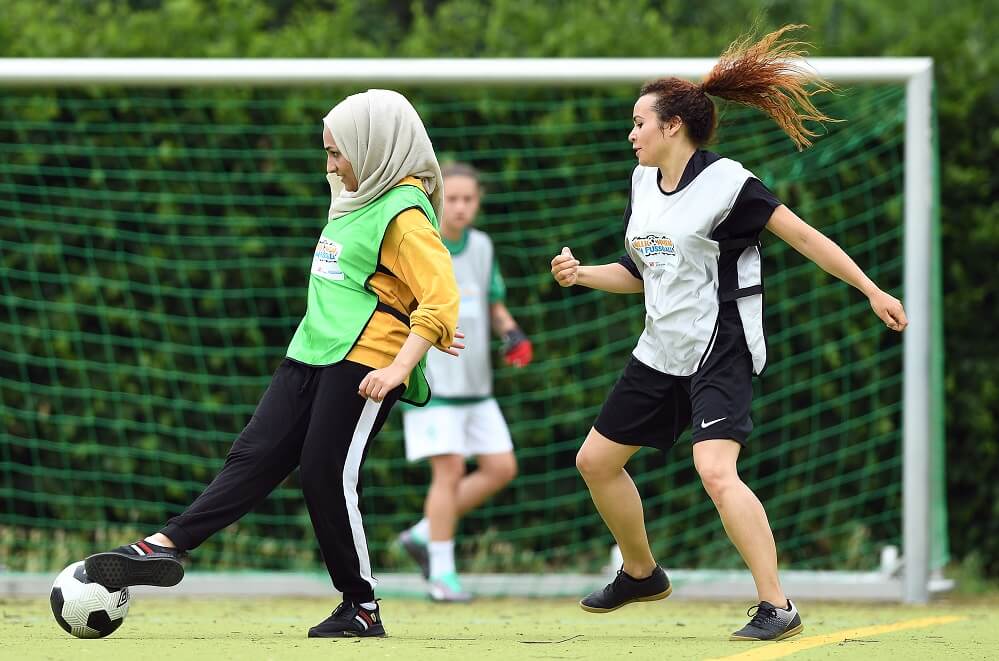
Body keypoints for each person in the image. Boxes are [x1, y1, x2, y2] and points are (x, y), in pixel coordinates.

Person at [549, 25, 908, 642]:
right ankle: (641, 573)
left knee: (715, 470)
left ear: (672, 127)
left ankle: (777, 606)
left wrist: (871, 290)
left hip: (722, 343)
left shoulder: (729, 185)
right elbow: (641, 273)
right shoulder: (642, 183)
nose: (631, 134)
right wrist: (582, 274)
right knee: (595, 462)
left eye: (639, 122)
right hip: (662, 346)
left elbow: (805, 237)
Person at [83, 89, 462, 639]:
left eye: (338, 152)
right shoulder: (358, 197)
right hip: (311, 350)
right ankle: (163, 546)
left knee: (325, 473)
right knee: (253, 454)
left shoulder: (403, 212)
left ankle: (361, 606)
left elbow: (441, 297)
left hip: (365, 361)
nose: (330, 165)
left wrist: (400, 367)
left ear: (374, 146)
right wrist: (418, 320)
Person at [396, 163, 530, 602]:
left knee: (501, 468)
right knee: (449, 471)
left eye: (467, 199)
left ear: (478, 202)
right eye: (451, 199)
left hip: (477, 388)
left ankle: (422, 533)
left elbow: (493, 303)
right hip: (433, 387)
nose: (459, 207)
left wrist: (512, 333)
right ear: (438, 202)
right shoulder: (422, 246)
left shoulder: (484, 246)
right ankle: (442, 575)